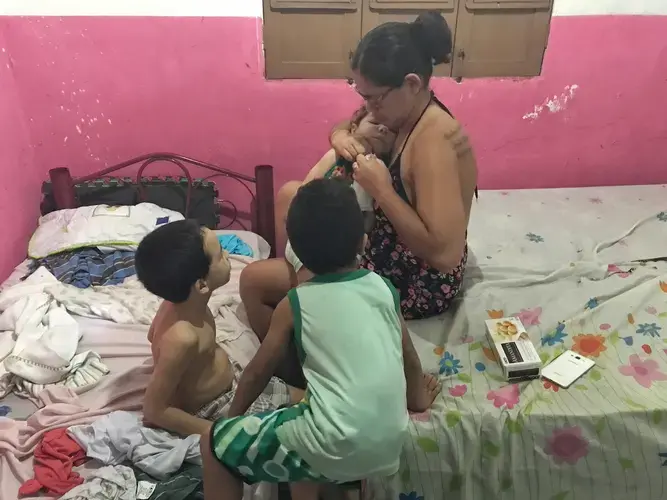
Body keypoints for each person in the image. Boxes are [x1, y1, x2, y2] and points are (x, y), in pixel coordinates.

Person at [201, 178, 439, 500]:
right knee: (304, 424)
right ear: (363, 243)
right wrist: (419, 400)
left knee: (213, 443)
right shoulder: (383, 288)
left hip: (331, 441)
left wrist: (233, 420)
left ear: (295, 252)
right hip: (387, 443)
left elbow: (258, 371)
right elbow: (408, 356)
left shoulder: (295, 302)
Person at [333, 10, 479, 321]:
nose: (369, 107)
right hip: (391, 253)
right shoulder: (402, 112)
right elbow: (356, 118)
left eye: (375, 99)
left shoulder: (433, 141)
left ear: (412, 83)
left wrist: (382, 191)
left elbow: (445, 256)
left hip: (420, 283)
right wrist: (340, 134)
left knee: (304, 293)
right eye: (362, 96)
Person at [240, 107, 396, 387]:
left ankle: (306, 348)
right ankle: (288, 364)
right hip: (317, 232)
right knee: (290, 191)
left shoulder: (379, 170)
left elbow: (369, 220)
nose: (382, 129)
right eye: (374, 122)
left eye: (388, 128)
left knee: (270, 282)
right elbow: (308, 186)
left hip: (341, 248)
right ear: (353, 128)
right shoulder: (339, 154)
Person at [135, 220, 303, 437]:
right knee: (309, 417)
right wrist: (220, 433)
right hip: (217, 408)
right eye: (220, 253)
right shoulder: (182, 337)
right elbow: (154, 409)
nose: (227, 255)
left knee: (309, 397)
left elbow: (152, 337)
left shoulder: (173, 304)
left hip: (233, 384)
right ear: (202, 285)